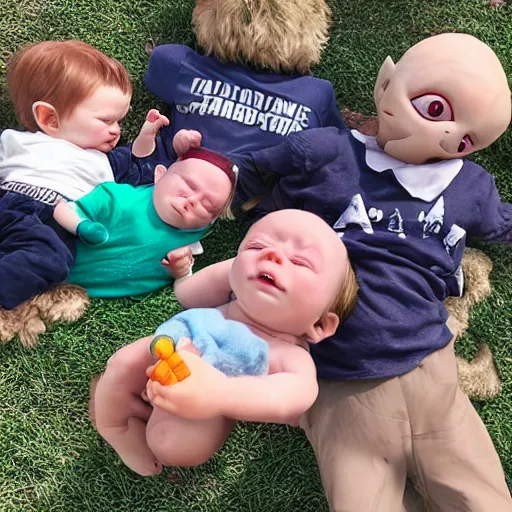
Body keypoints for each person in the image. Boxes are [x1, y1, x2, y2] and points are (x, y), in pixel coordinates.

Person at [167, 33, 512, 511]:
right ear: (386, 81)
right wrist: (199, 166)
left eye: (469, 138)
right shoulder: (327, 151)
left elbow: (504, 225)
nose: (450, 137)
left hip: (433, 371)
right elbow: (242, 173)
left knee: (485, 499)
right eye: (435, 110)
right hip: (338, 378)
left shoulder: (473, 186)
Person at [89, 209, 359, 476]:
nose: (272, 255)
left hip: (208, 405)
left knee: (172, 444)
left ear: (320, 324)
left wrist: (219, 395)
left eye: (300, 262)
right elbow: (187, 294)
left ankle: (152, 416)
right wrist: (206, 272)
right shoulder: (228, 298)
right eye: (257, 245)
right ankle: (117, 427)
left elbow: (292, 398)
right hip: (172, 349)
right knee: (124, 362)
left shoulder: (290, 356)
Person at [0, 40, 169, 310]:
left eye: (119, 121)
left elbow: (139, 167)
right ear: (50, 119)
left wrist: (148, 136)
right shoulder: (15, 141)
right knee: (49, 257)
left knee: (48, 258)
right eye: (105, 121)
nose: (116, 131)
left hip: (50, 220)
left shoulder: (105, 161)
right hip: (19, 202)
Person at [56, 134, 237, 298]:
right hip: (49, 263)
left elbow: (186, 286)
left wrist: (181, 272)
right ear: (160, 174)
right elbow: (62, 213)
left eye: (207, 205)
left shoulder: (187, 245)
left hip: (76, 296)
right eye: (188, 185)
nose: (192, 200)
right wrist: (81, 225)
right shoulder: (116, 198)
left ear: (211, 221)